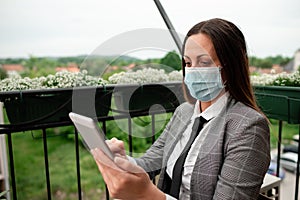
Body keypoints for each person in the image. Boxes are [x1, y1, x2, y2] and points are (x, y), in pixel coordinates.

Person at [91, 18, 270, 200]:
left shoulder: (249, 127)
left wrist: (150, 195)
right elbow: (152, 160)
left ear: (231, 66)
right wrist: (123, 161)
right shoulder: (184, 112)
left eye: (204, 62)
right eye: (188, 63)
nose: (192, 71)